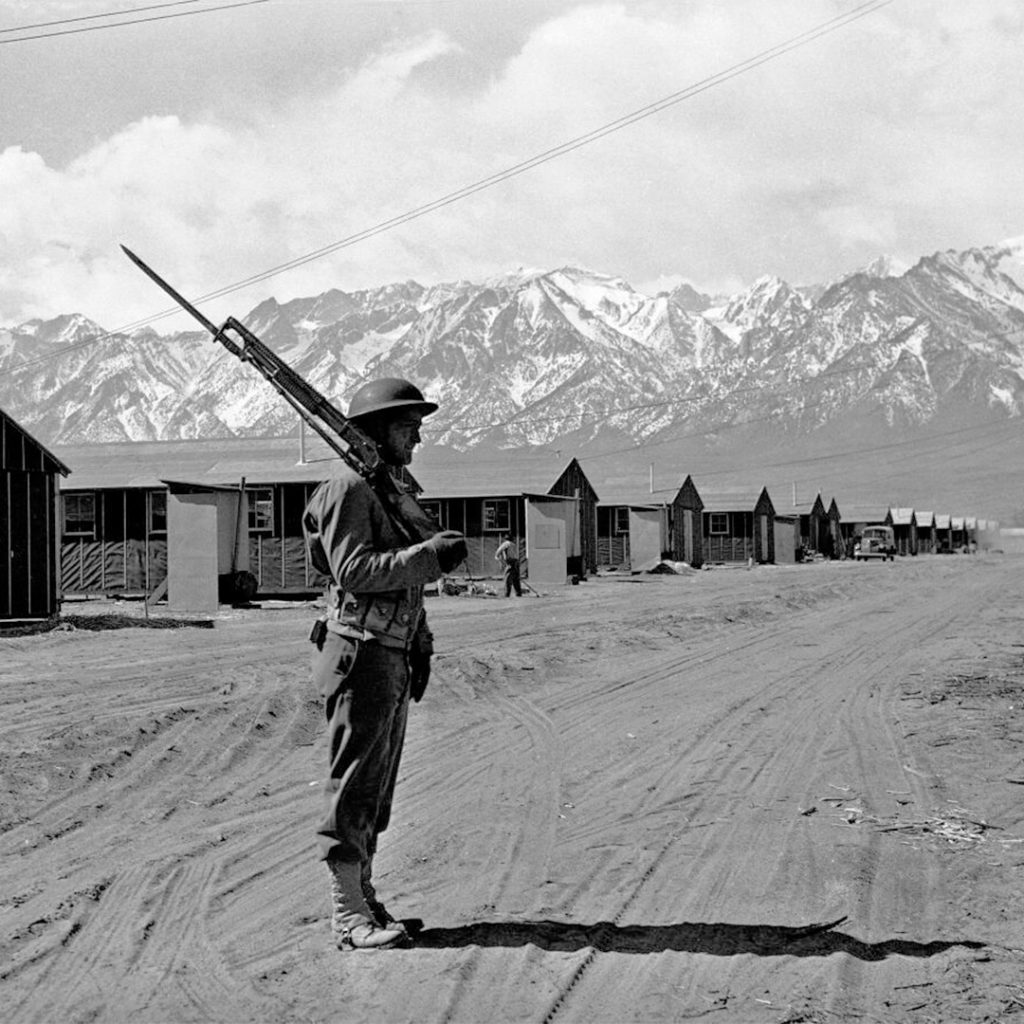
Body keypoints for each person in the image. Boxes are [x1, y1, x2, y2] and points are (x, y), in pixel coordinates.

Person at [303, 377, 467, 952]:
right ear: (374, 430)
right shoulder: (350, 488)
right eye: (407, 426)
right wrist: (428, 557)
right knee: (353, 786)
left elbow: (403, 589)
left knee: (376, 788)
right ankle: (348, 915)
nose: (417, 437)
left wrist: (420, 638)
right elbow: (355, 572)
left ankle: (366, 900)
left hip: (390, 652)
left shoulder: (388, 487)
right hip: (361, 652)